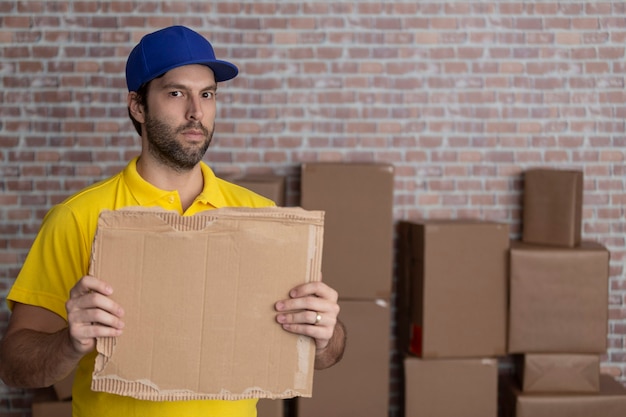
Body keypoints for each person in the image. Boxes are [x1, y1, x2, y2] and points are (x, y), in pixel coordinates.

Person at [0, 25, 346, 416]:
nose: (196, 112)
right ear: (137, 105)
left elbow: (326, 356)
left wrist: (325, 332)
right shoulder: (79, 218)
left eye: (208, 94)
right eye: (177, 93)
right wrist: (69, 342)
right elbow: (14, 366)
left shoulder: (262, 218)